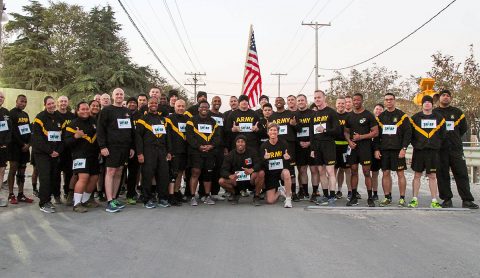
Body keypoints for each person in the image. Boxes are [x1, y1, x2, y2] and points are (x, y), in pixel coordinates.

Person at [433, 89, 478, 209]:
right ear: (439, 98)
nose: (446, 97)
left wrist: (454, 137)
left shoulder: (457, 112)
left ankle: (467, 200)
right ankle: (447, 200)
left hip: (456, 148)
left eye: (448, 96)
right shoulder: (434, 113)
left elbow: (463, 128)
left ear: (451, 98)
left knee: (462, 173)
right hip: (440, 149)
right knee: (442, 175)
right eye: (443, 95)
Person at [97, 88, 135, 213]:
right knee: (111, 171)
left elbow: (131, 131)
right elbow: (100, 130)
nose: (119, 96)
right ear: (113, 96)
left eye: (121, 94)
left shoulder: (127, 111)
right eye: (117, 94)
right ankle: (109, 201)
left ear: (124, 96)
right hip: (111, 147)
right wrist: (102, 146)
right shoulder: (107, 110)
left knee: (119, 172)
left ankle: (114, 198)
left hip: (124, 148)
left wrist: (131, 147)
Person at [374, 93, 411, 207]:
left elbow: (408, 133)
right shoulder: (380, 117)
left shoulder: (402, 116)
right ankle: (387, 197)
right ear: (384, 102)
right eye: (386, 100)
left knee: (400, 174)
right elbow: (376, 135)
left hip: (398, 150)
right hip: (384, 150)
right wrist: (376, 149)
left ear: (394, 101)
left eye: (391, 99)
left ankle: (402, 198)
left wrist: (404, 148)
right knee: (385, 173)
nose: (389, 101)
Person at [408, 95, 445, 208]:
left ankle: (434, 200)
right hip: (419, 151)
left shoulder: (439, 118)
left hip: (433, 151)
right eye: (425, 102)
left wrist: (436, 144)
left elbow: (443, 134)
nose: (427, 104)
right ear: (422, 104)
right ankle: (414, 199)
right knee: (417, 175)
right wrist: (417, 145)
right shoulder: (415, 118)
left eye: (429, 102)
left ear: (432, 104)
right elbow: (410, 135)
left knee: (432, 176)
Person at [344, 93, 379, 207]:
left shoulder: (368, 115)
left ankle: (370, 198)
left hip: (366, 148)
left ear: (362, 101)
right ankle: (353, 197)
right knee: (353, 171)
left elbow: (375, 132)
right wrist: (349, 141)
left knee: (366, 172)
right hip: (353, 148)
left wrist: (361, 137)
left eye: (358, 100)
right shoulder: (349, 116)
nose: (356, 102)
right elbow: (346, 131)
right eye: (354, 100)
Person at [65, 102, 100, 212]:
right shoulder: (72, 124)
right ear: (77, 110)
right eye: (82, 109)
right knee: (83, 178)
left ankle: (85, 200)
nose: (85, 111)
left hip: (93, 155)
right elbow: (67, 142)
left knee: (94, 178)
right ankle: (77, 204)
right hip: (79, 155)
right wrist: (75, 136)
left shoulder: (94, 121)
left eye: (87, 109)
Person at [136, 97, 170, 209]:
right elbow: (138, 138)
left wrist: (169, 151)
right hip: (148, 151)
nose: (153, 105)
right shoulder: (142, 120)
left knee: (163, 175)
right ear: (148, 105)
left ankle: (162, 198)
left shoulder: (163, 120)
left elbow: (167, 137)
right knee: (147, 176)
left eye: (155, 103)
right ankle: (147, 199)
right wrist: (140, 153)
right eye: (151, 103)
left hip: (162, 151)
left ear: (158, 105)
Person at [32, 96, 64, 213]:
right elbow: (37, 138)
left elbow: (63, 137)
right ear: (45, 105)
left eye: (52, 103)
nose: (51, 105)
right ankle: (43, 203)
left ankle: (48, 199)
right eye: (49, 104)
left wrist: (58, 151)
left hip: (55, 153)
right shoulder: (39, 118)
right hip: (42, 153)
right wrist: (50, 151)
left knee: (53, 177)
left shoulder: (59, 117)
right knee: (45, 177)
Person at [186, 100, 220, 206]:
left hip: (210, 152)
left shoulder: (213, 122)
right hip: (196, 152)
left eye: (206, 107)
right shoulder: (191, 121)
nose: (204, 109)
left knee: (208, 174)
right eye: (202, 107)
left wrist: (211, 146)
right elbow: (189, 137)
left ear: (208, 109)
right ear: (198, 108)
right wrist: (199, 146)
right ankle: (192, 196)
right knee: (195, 172)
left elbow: (218, 137)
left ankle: (206, 195)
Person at [310, 90, 340, 206]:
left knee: (330, 171)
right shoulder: (314, 115)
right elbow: (312, 134)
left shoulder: (331, 113)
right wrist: (312, 149)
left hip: (328, 145)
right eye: (315, 98)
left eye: (319, 97)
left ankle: (332, 196)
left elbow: (338, 131)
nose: (317, 99)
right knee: (321, 171)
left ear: (324, 98)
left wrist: (325, 130)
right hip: (317, 146)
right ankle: (326, 195)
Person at [219, 135, 264, 205]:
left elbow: (259, 163)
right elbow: (223, 170)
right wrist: (230, 175)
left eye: (242, 142)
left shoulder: (252, 152)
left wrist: (252, 169)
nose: (240, 144)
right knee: (221, 181)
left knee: (261, 173)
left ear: (245, 143)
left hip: (250, 179)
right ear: (235, 143)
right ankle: (235, 194)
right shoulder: (230, 155)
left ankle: (256, 196)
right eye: (238, 142)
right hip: (237, 180)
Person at [270, 97, 298, 201]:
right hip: (277, 146)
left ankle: (293, 192)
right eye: (276, 101)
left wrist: (294, 125)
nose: (278, 102)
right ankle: (282, 190)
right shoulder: (272, 116)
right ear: (274, 103)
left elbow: (297, 129)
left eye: (280, 100)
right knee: (279, 168)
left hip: (290, 145)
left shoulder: (290, 114)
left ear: (284, 102)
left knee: (291, 170)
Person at [7, 94, 33, 204]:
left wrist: (28, 144)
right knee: (13, 170)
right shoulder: (11, 113)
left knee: (22, 171)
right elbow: (12, 132)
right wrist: (22, 144)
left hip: (25, 148)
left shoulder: (25, 114)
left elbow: (27, 131)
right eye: (21, 101)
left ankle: (21, 194)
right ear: (16, 101)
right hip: (14, 147)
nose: (23, 103)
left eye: (25, 102)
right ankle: (11, 194)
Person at [261, 123, 293, 208]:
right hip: (271, 174)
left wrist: (288, 158)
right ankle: (280, 191)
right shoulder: (264, 146)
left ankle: (288, 199)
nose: (273, 132)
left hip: (281, 171)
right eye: (271, 130)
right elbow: (261, 163)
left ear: (278, 132)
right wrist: (264, 158)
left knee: (286, 173)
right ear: (268, 132)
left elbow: (290, 158)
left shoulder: (284, 143)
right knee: (270, 201)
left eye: (275, 130)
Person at [294, 94, 317, 201]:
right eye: (298, 100)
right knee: (302, 170)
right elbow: (292, 132)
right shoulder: (294, 115)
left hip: (311, 146)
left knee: (313, 170)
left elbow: (316, 131)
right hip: (299, 146)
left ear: (306, 101)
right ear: (296, 102)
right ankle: (305, 192)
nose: (300, 102)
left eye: (302, 100)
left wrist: (309, 143)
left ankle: (315, 192)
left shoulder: (313, 113)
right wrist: (299, 143)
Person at [166, 99, 189, 204]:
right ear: (174, 107)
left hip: (184, 151)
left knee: (180, 172)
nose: (180, 108)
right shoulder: (169, 119)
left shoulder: (188, 119)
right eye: (178, 106)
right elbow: (168, 137)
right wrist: (169, 151)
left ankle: (176, 192)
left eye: (182, 106)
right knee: (173, 173)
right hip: (174, 150)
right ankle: (170, 195)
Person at [57, 95, 76, 205]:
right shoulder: (54, 115)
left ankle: (68, 193)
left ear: (68, 103)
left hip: (69, 149)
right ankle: (56, 194)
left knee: (69, 173)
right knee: (56, 174)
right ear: (58, 103)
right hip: (57, 149)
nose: (63, 103)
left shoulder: (72, 116)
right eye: (61, 101)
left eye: (65, 101)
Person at [208, 96, 227, 201]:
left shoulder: (222, 116)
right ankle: (204, 193)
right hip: (209, 147)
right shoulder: (208, 114)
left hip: (220, 148)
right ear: (212, 102)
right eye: (215, 101)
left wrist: (225, 147)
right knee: (207, 170)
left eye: (219, 101)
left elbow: (224, 133)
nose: (217, 102)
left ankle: (215, 192)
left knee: (218, 170)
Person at [334, 96, 351, 200]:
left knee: (347, 170)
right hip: (334, 146)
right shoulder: (332, 115)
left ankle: (350, 191)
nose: (340, 105)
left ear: (346, 104)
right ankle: (337, 190)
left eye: (342, 103)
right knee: (335, 170)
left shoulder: (349, 116)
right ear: (336, 104)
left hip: (346, 146)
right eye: (339, 103)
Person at [370, 103, 384, 201]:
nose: (378, 111)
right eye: (376, 109)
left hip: (384, 150)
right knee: (373, 173)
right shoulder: (370, 121)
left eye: (380, 109)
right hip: (371, 150)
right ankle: (374, 193)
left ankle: (388, 194)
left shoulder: (385, 121)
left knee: (386, 172)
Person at [0, 91, 12, 207]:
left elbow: (9, 130)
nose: (0, 98)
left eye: (2, 97)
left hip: (3, 148)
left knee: (2, 170)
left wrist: (5, 143)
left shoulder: (6, 113)